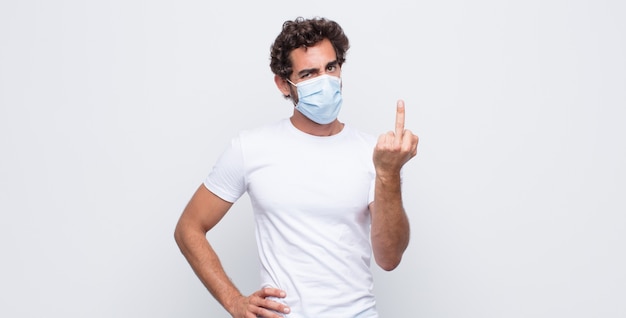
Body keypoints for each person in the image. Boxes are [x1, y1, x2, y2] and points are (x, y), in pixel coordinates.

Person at [174, 16, 419, 318]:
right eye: (309, 74)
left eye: (331, 68)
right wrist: (234, 301)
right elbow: (188, 228)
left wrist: (388, 174)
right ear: (283, 83)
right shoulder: (251, 148)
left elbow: (389, 257)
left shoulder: (375, 153)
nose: (325, 81)